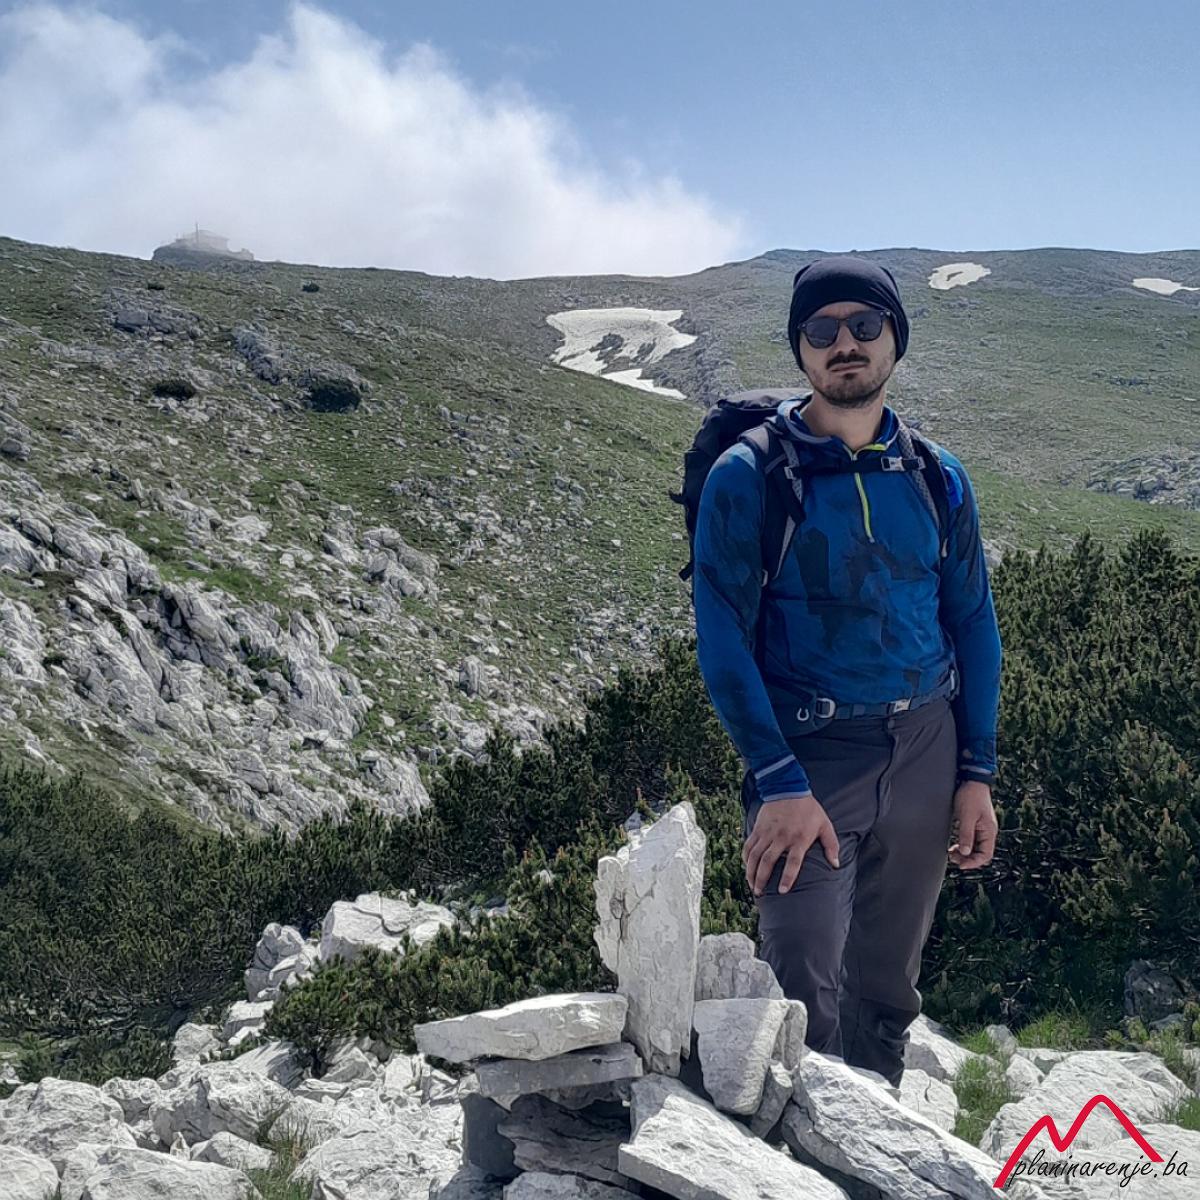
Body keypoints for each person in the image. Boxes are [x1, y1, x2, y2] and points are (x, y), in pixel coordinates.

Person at [691, 255, 1002, 1087]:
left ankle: (876, 1139)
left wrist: (976, 772)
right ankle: (796, 1144)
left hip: (927, 745)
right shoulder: (750, 476)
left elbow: (973, 622)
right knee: (800, 980)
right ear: (799, 348)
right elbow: (721, 639)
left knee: (887, 988)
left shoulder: (938, 477)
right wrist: (778, 782)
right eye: (821, 330)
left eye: (865, 325)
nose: (845, 344)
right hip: (810, 754)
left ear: (896, 338)